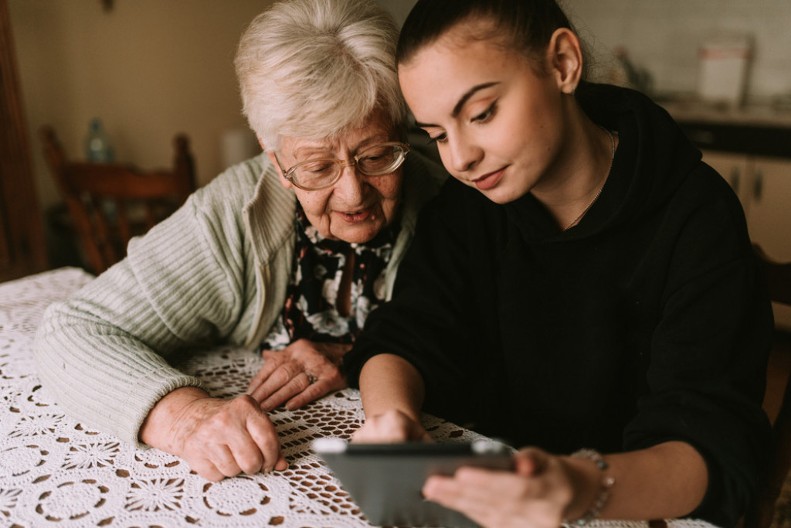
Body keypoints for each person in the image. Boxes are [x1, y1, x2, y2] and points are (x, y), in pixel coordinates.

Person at [344, 0, 773, 526]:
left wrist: (578, 485)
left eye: (481, 114)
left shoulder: (695, 217)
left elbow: (710, 448)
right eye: (435, 134)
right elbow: (405, 333)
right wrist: (391, 420)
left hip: (631, 502)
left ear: (563, 64)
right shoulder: (468, 208)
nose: (459, 159)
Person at [33, 0, 445, 483]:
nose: (353, 192)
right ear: (275, 161)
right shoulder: (232, 215)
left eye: (377, 155)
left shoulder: (447, 201)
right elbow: (74, 329)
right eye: (317, 167)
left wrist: (354, 353)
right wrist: (186, 419)